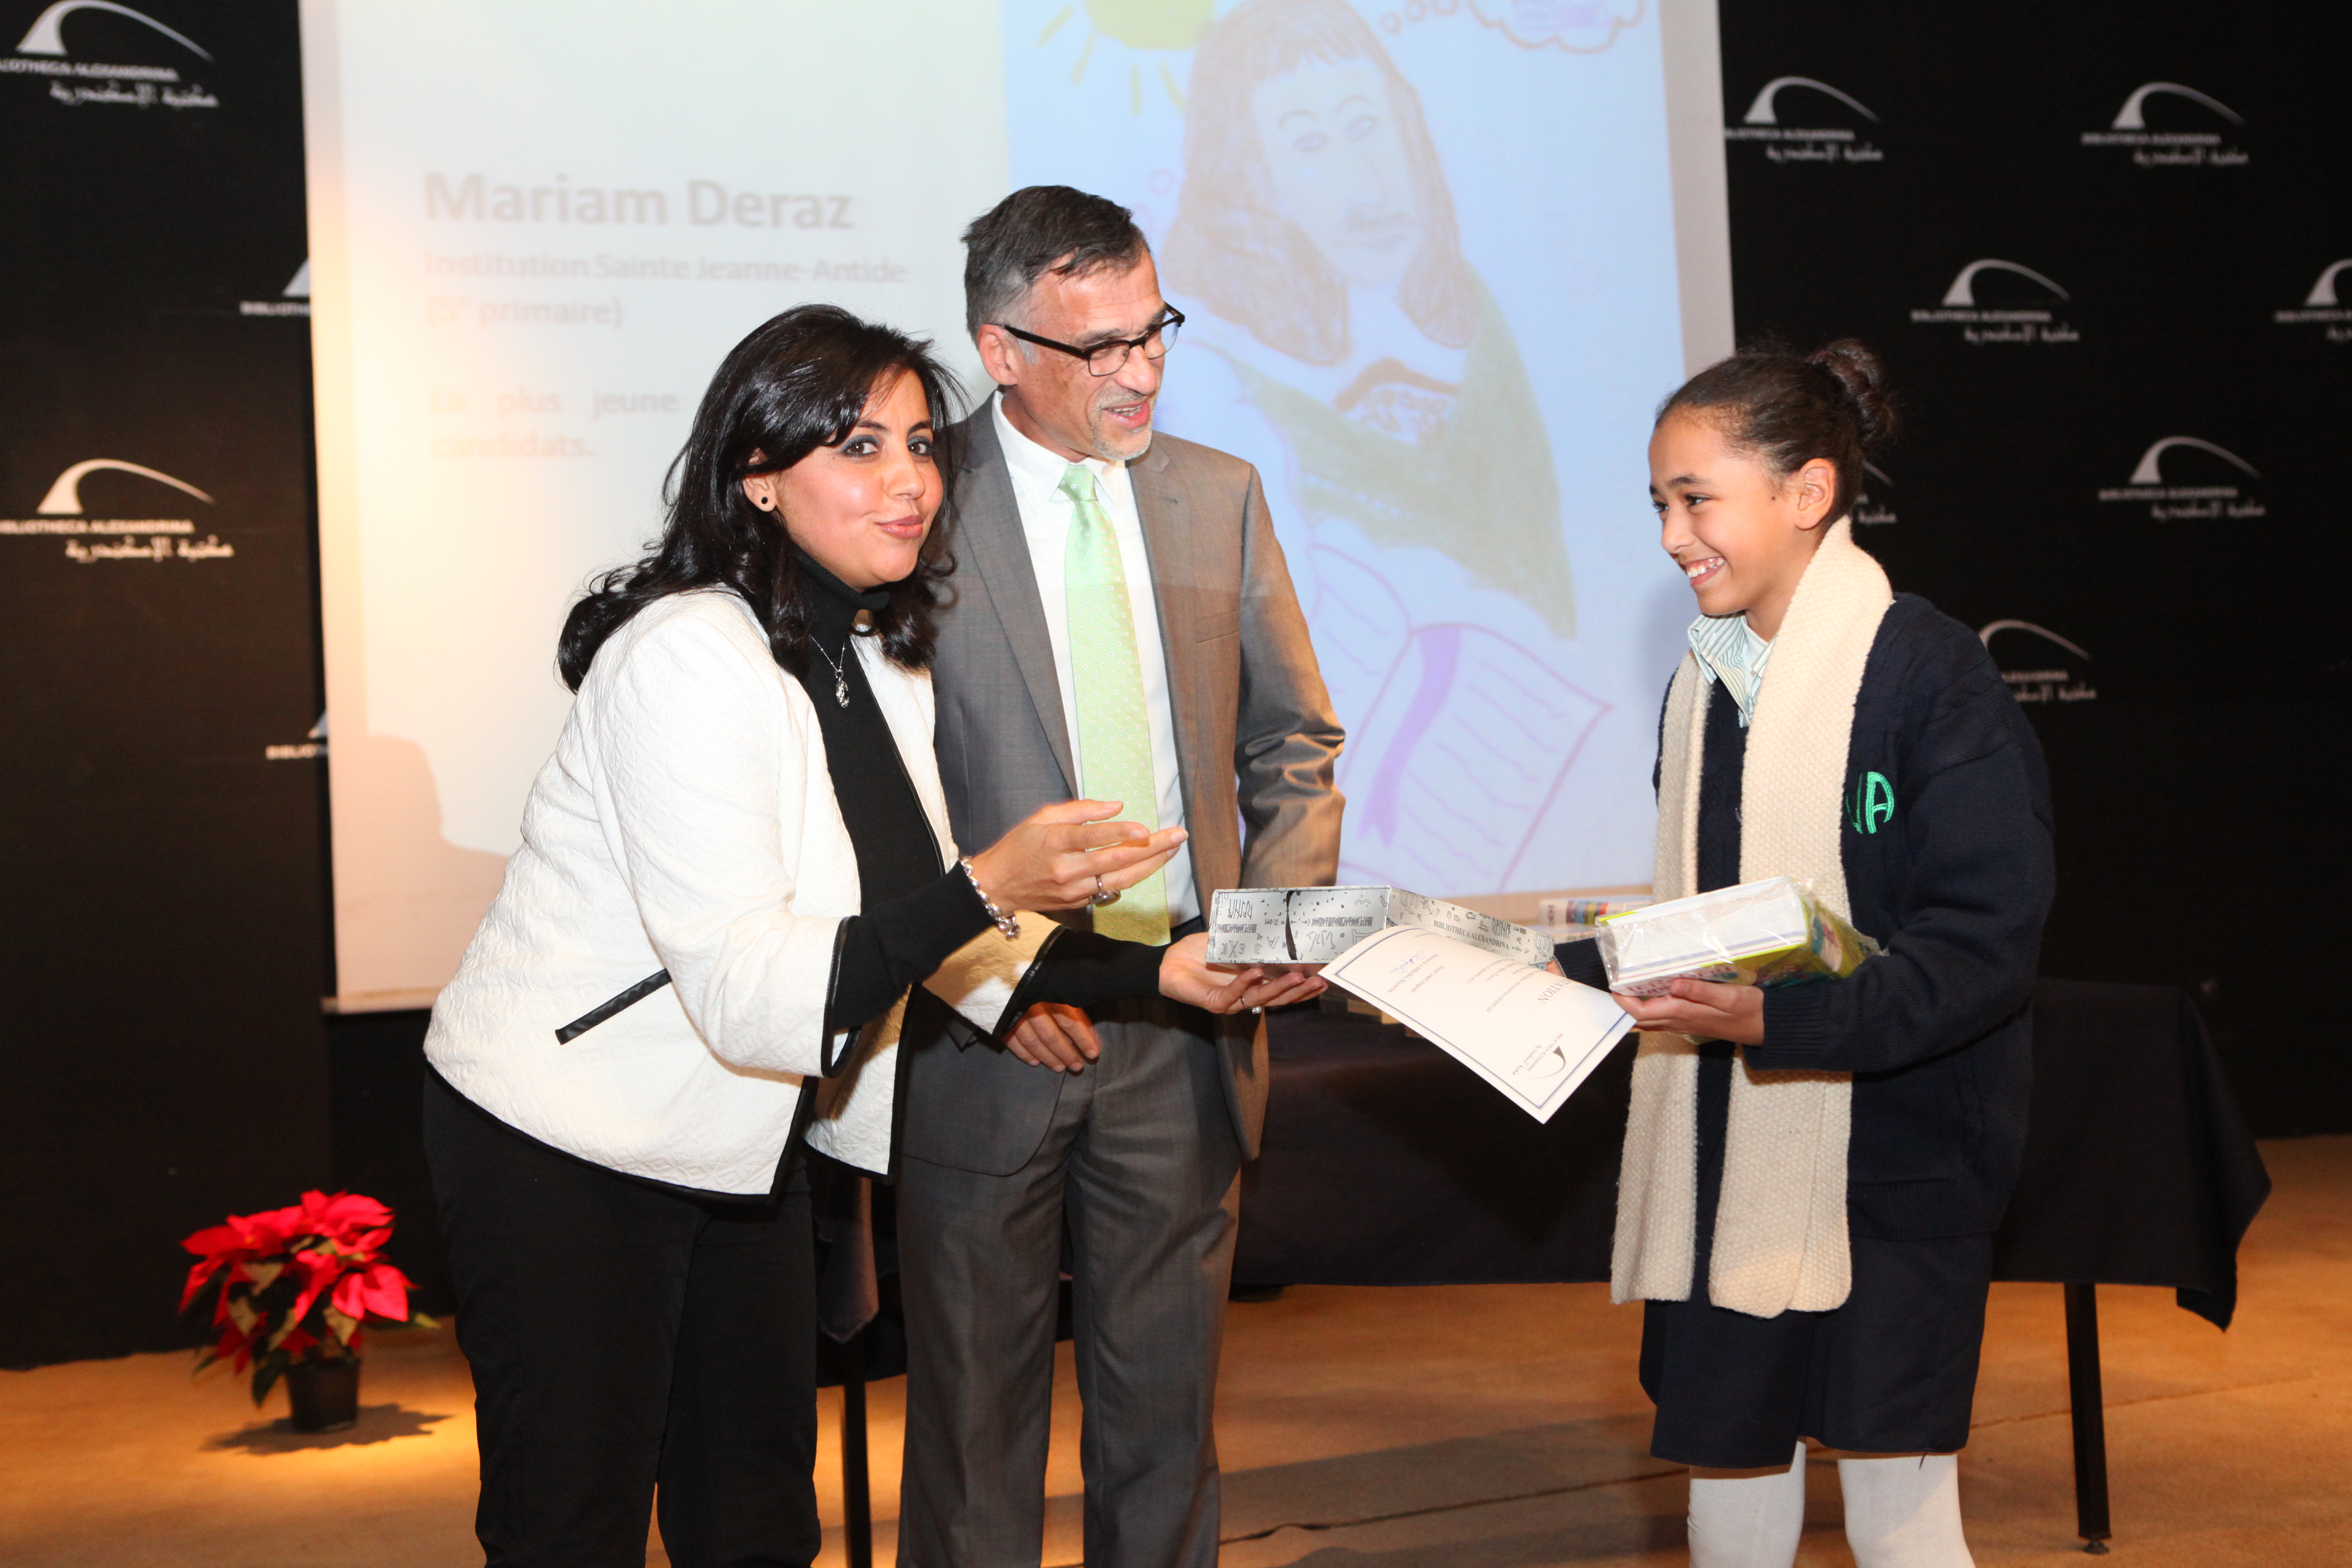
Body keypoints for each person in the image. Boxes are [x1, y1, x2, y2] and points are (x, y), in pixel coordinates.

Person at [419, 303, 1322, 1568]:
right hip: (568, 1143)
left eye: (920, 445)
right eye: (859, 447)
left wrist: (1160, 973)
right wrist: (993, 882)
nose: (910, 481)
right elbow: (755, 986)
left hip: (740, 1138)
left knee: (756, 1520)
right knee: (571, 1523)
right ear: (758, 476)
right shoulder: (687, 657)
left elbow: (920, 908)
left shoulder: (875, 652)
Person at [892, 187, 1346, 1568]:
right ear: (1001, 351)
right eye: (1098, 346)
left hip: (1186, 1022)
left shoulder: (1218, 493)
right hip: (993, 1038)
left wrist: (1274, 929)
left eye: (1154, 331)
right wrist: (992, 976)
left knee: (1162, 1432)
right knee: (975, 1445)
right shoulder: (914, 506)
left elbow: (1291, 739)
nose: (1139, 369)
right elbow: (877, 793)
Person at [1555, 340, 2054, 1568]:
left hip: (1895, 1168)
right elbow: (1702, 928)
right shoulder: (1704, 685)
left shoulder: (1930, 674)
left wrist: (1778, 1023)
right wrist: (1514, 969)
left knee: (1898, 1512)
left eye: (1696, 499)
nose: (1671, 536)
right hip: (1721, 1163)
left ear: (1808, 493)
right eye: (1659, 504)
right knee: (1730, 1481)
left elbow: (1984, 945)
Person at [1159, 0, 1586, 895]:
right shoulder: (1211, 375)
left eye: (1366, 127)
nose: (1366, 183)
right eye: (1309, 144)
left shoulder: (1476, 320)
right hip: (1338, 842)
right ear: (1251, 177)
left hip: (1533, 807)